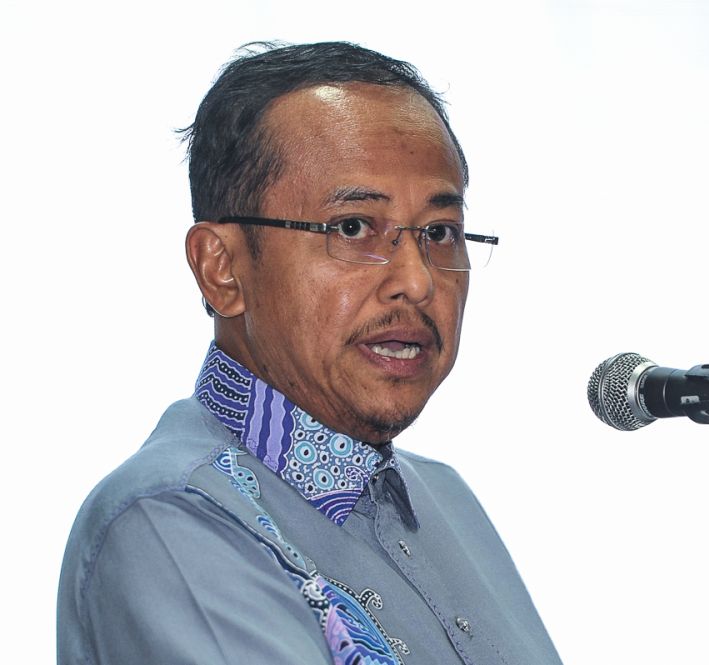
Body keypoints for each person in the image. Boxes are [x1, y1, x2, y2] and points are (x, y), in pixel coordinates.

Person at [57, 41, 562, 665]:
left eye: (439, 233)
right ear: (222, 268)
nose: (417, 280)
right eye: (352, 227)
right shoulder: (170, 520)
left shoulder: (446, 500)